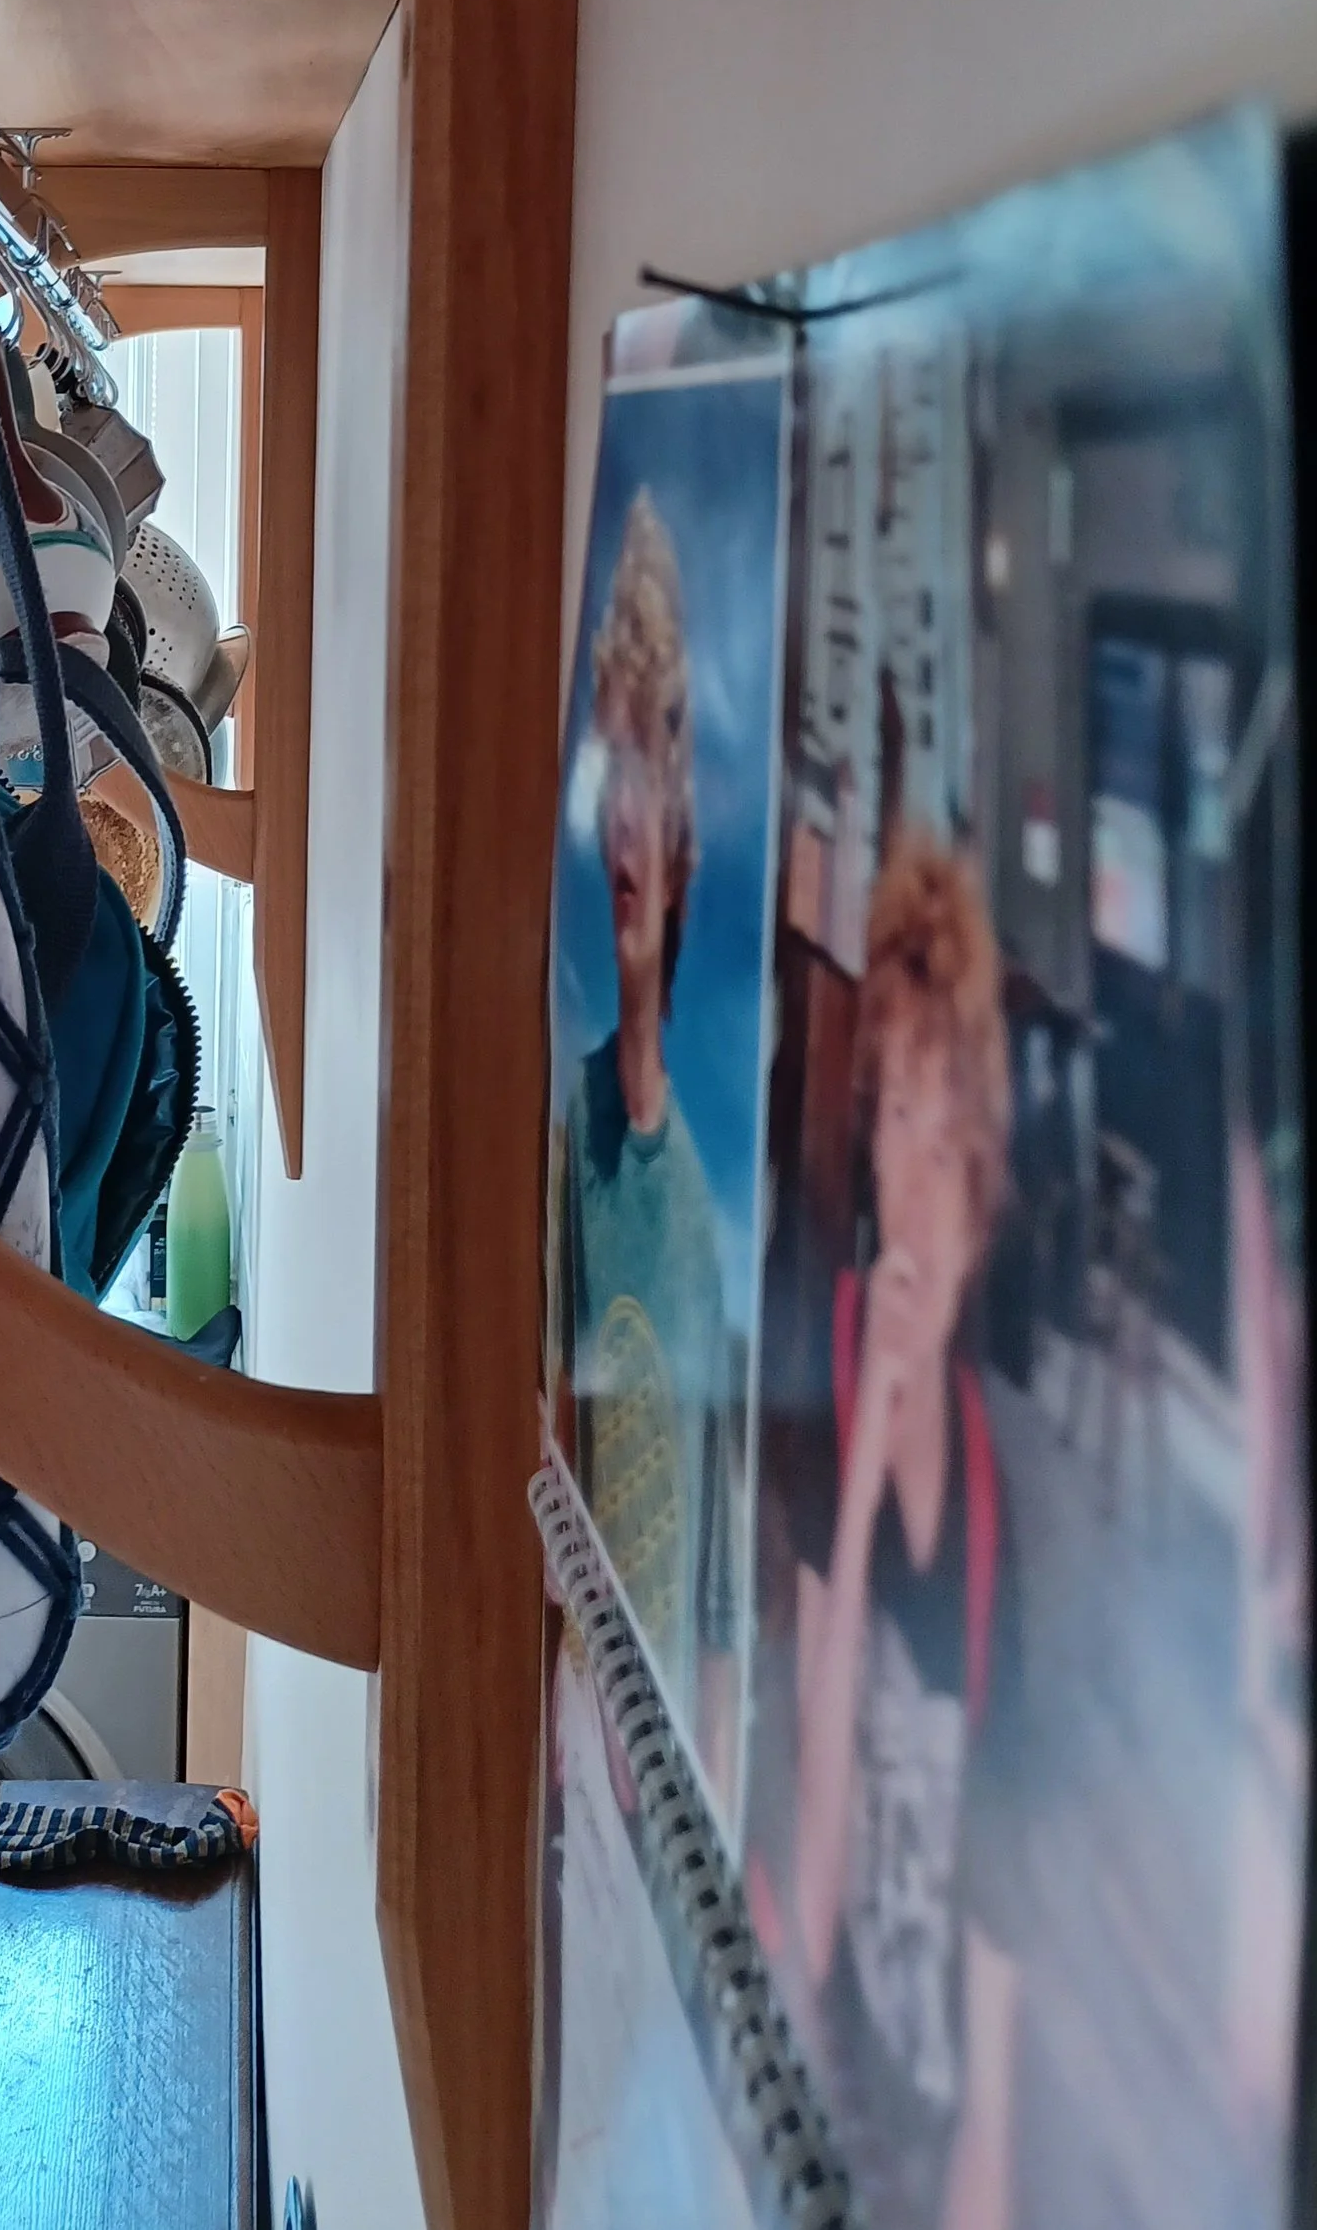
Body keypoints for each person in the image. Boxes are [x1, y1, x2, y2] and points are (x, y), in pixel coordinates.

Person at [789, 832, 1023, 2230]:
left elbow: (1003, 1902)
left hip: (938, 2100)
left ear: (984, 1189)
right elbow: (811, 1878)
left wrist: (985, 2156)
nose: (922, 1189)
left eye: (953, 1145)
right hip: (831, 2050)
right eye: (898, 1128)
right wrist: (868, 1465)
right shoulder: (820, 1381)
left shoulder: (1004, 1503)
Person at [568, 487, 742, 1799]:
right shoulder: (556, 1145)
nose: (629, 826)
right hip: (568, 1774)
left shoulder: (701, 1217)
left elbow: (722, 1609)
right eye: (608, 778)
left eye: (652, 784)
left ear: (682, 845)